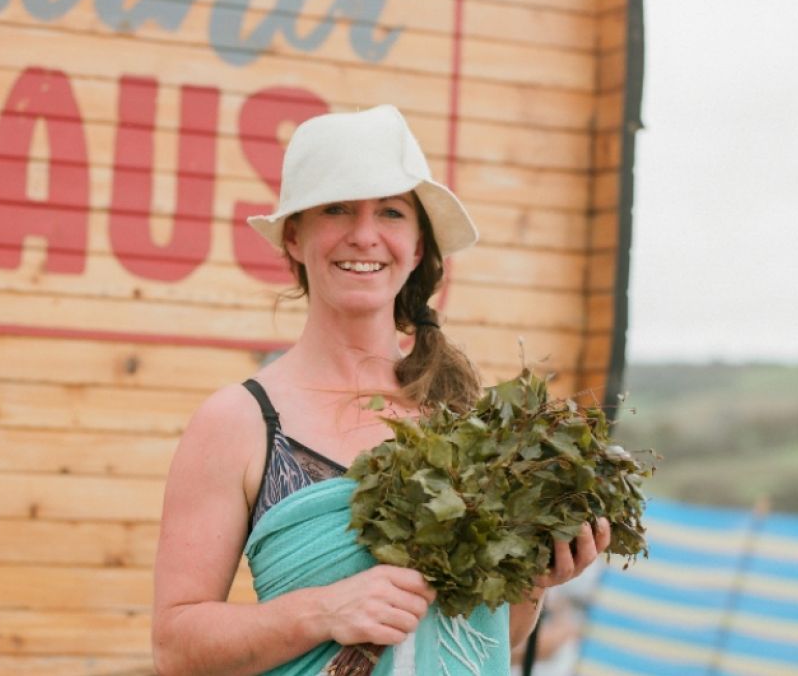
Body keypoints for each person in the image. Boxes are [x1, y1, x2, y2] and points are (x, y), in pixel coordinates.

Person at [151, 105, 610, 675]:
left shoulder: (466, 418)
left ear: (417, 247)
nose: (364, 235)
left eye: (390, 213)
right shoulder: (240, 421)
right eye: (337, 208)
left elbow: (489, 636)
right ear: (294, 237)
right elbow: (176, 647)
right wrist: (323, 611)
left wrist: (535, 584)